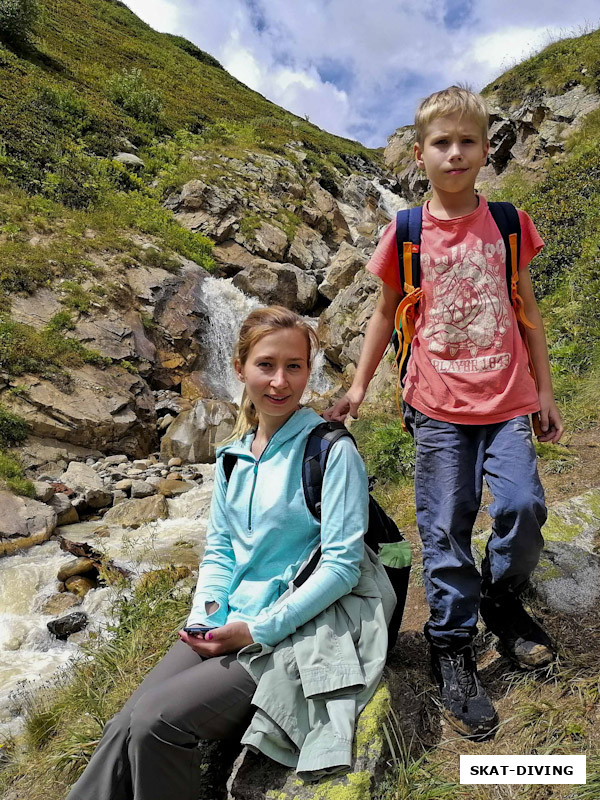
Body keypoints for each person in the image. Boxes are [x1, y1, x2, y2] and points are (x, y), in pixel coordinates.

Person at [66, 305, 392, 800]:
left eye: (294, 366)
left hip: (291, 627)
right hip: (232, 616)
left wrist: (255, 630)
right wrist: (208, 613)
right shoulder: (233, 457)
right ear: (240, 370)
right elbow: (220, 549)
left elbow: (343, 567)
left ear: (309, 370)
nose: (280, 381)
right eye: (266, 365)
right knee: (124, 722)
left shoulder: (331, 450)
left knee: (156, 721)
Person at [326, 86, 564, 739]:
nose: (455, 152)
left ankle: (500, 595)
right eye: (441, 142)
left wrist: (545, 390)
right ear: (420, 154)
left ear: (486, 150)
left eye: (467, 141)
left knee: (522, 506)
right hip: (435, 407)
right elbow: (381, 314)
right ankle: (452, 646)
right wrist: (357, 388)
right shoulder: (405, 234)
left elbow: (530, 311)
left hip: (509, 397)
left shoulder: (510, 225)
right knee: (445, 529)